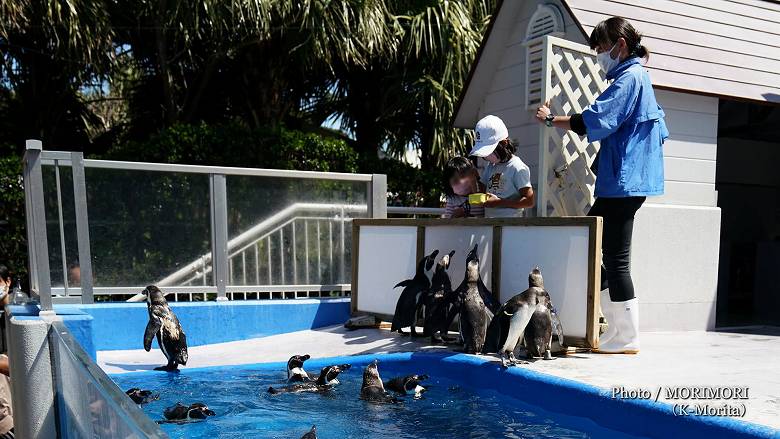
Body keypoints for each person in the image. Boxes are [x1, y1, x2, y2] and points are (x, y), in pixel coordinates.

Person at [534, 17, 667, 354]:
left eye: (600, 48)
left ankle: (627, 335)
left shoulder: (630, 78)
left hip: (624, 182)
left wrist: (551, 119)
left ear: (620, 46)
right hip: (624, 181)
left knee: (611, 257)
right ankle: (620, 331)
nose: (598, 55)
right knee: (596, 251)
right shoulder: (636, 77)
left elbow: (595, 120)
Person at [468, 115, 535, 217]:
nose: (486, 157)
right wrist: (474, 176)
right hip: (491, 225)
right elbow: (482, 190)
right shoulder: (491, 165)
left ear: (504, 143)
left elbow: (529, 201)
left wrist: (499, 202)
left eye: (490, 151)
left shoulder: (517, 167)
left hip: (510, 227)